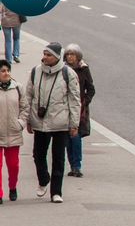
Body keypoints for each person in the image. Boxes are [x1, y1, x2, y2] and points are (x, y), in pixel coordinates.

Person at [25, 42, 81, 203]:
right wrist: (28, 118)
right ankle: (43, 180)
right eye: (44, 53)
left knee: (58, 157)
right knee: (38, 155)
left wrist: (73, 123)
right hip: (40, 122)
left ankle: (56, 192)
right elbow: (28, 96)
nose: (44, 57)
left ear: (56, 57)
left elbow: (74, 100)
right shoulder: (36, 72)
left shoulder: (67, 73)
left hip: (61, 123)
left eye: (48, 55)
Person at [64, 44, 95, 178]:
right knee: (67, 139)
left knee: (75, 137)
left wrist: (84, 101)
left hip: (79, 109)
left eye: (73, 54)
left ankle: (77, 166)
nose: (70, 57)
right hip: (64, 107)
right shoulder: (62, 69)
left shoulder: (83, 69)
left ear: (78, 56)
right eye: (68, 54)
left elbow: (91, 89)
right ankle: (72, 165)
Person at [0, 59, 29, 204]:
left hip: (13, 131)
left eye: (8, 70)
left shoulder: (18, 88)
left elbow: (25, 108)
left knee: (13, 165)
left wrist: (21, 123)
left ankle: (13, 187)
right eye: (3, 71)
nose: (7, 73)